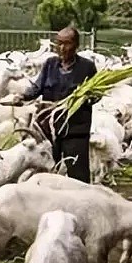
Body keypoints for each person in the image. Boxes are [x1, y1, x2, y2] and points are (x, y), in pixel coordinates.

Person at [21, 25, 98, 182]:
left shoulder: (87, 67)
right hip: (50, 130)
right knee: (47, 172)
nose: (62, 48)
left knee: (78, 176)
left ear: (76, 45)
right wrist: (22, 96)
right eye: (59, 43)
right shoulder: (50, 64)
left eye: (67, 43)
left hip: (75, 131)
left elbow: (95, 96)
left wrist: (81, 100)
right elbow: (37, 87)